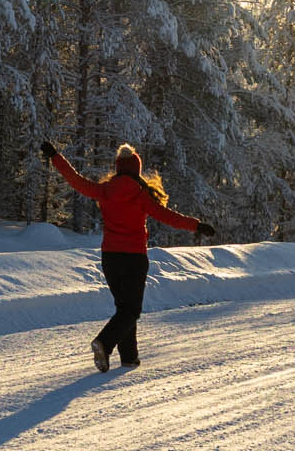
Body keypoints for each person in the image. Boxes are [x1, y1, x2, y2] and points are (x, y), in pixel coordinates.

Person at [39, 139, 215, 371]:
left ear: (119, 167)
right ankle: (104, 342)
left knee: (124, 307)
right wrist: (197, 225)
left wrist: (55, 156)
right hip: (133, 258)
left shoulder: (104, 191)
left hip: (110, 258)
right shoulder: (141, 195)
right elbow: (169, 217)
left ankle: (129, 357)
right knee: (131, 310)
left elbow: (75, 180)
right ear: (136, 168)